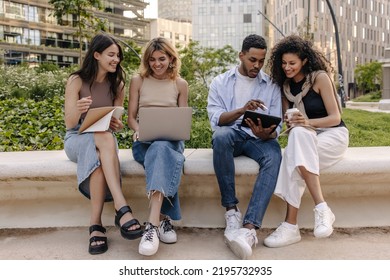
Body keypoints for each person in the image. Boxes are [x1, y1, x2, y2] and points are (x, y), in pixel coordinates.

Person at [263, 35, 349, 248]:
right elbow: (292, 127)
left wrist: (307, 122)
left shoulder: (319, 78)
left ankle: (294, 224)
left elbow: (335, 118)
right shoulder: (284, 87)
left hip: (332, 135)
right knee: (298, 139)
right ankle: (318, 212)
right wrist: (289, 122)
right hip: (305, 139)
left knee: (295, 153)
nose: (287, 67)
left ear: (304, 61)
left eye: (292, 63)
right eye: (283, 63)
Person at [64, 33, 143, 255]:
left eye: (118, 55)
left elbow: (114, 122)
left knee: (103, 147)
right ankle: (121, 207)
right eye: (111, 54)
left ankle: (96, 225)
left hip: (104, 140)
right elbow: (70, 124)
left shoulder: (117, 84)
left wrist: (116, 124)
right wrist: (78, 109)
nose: (116, 59)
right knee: (103, 139)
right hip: (77, 138)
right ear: (96, 55)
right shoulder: (76, 80)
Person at [207, 34, 283, 259]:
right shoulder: (220, 81)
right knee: (220, 137)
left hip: (259, 139)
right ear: (241, 55)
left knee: (274, 155)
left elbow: (276, 124)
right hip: (233, 134)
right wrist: (242, 110)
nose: (256, 66)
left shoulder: (271, 84)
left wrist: (267, 133)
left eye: (261, 61)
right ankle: (231, 211)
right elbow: (216, 119)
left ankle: (249, 229)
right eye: (252, 60)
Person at [128, 37, 189, 256]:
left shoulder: (180, 85)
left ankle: (151, 226)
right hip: (143, 142)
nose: (157, 64)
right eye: (152, 59)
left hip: (171, 143)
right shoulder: (138, 81)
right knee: (160, 152)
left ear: (171, 59)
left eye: (162, 59)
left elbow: (183, 121)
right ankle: (163, 221)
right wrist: (137, 129)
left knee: (163, 148)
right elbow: (131, 118)